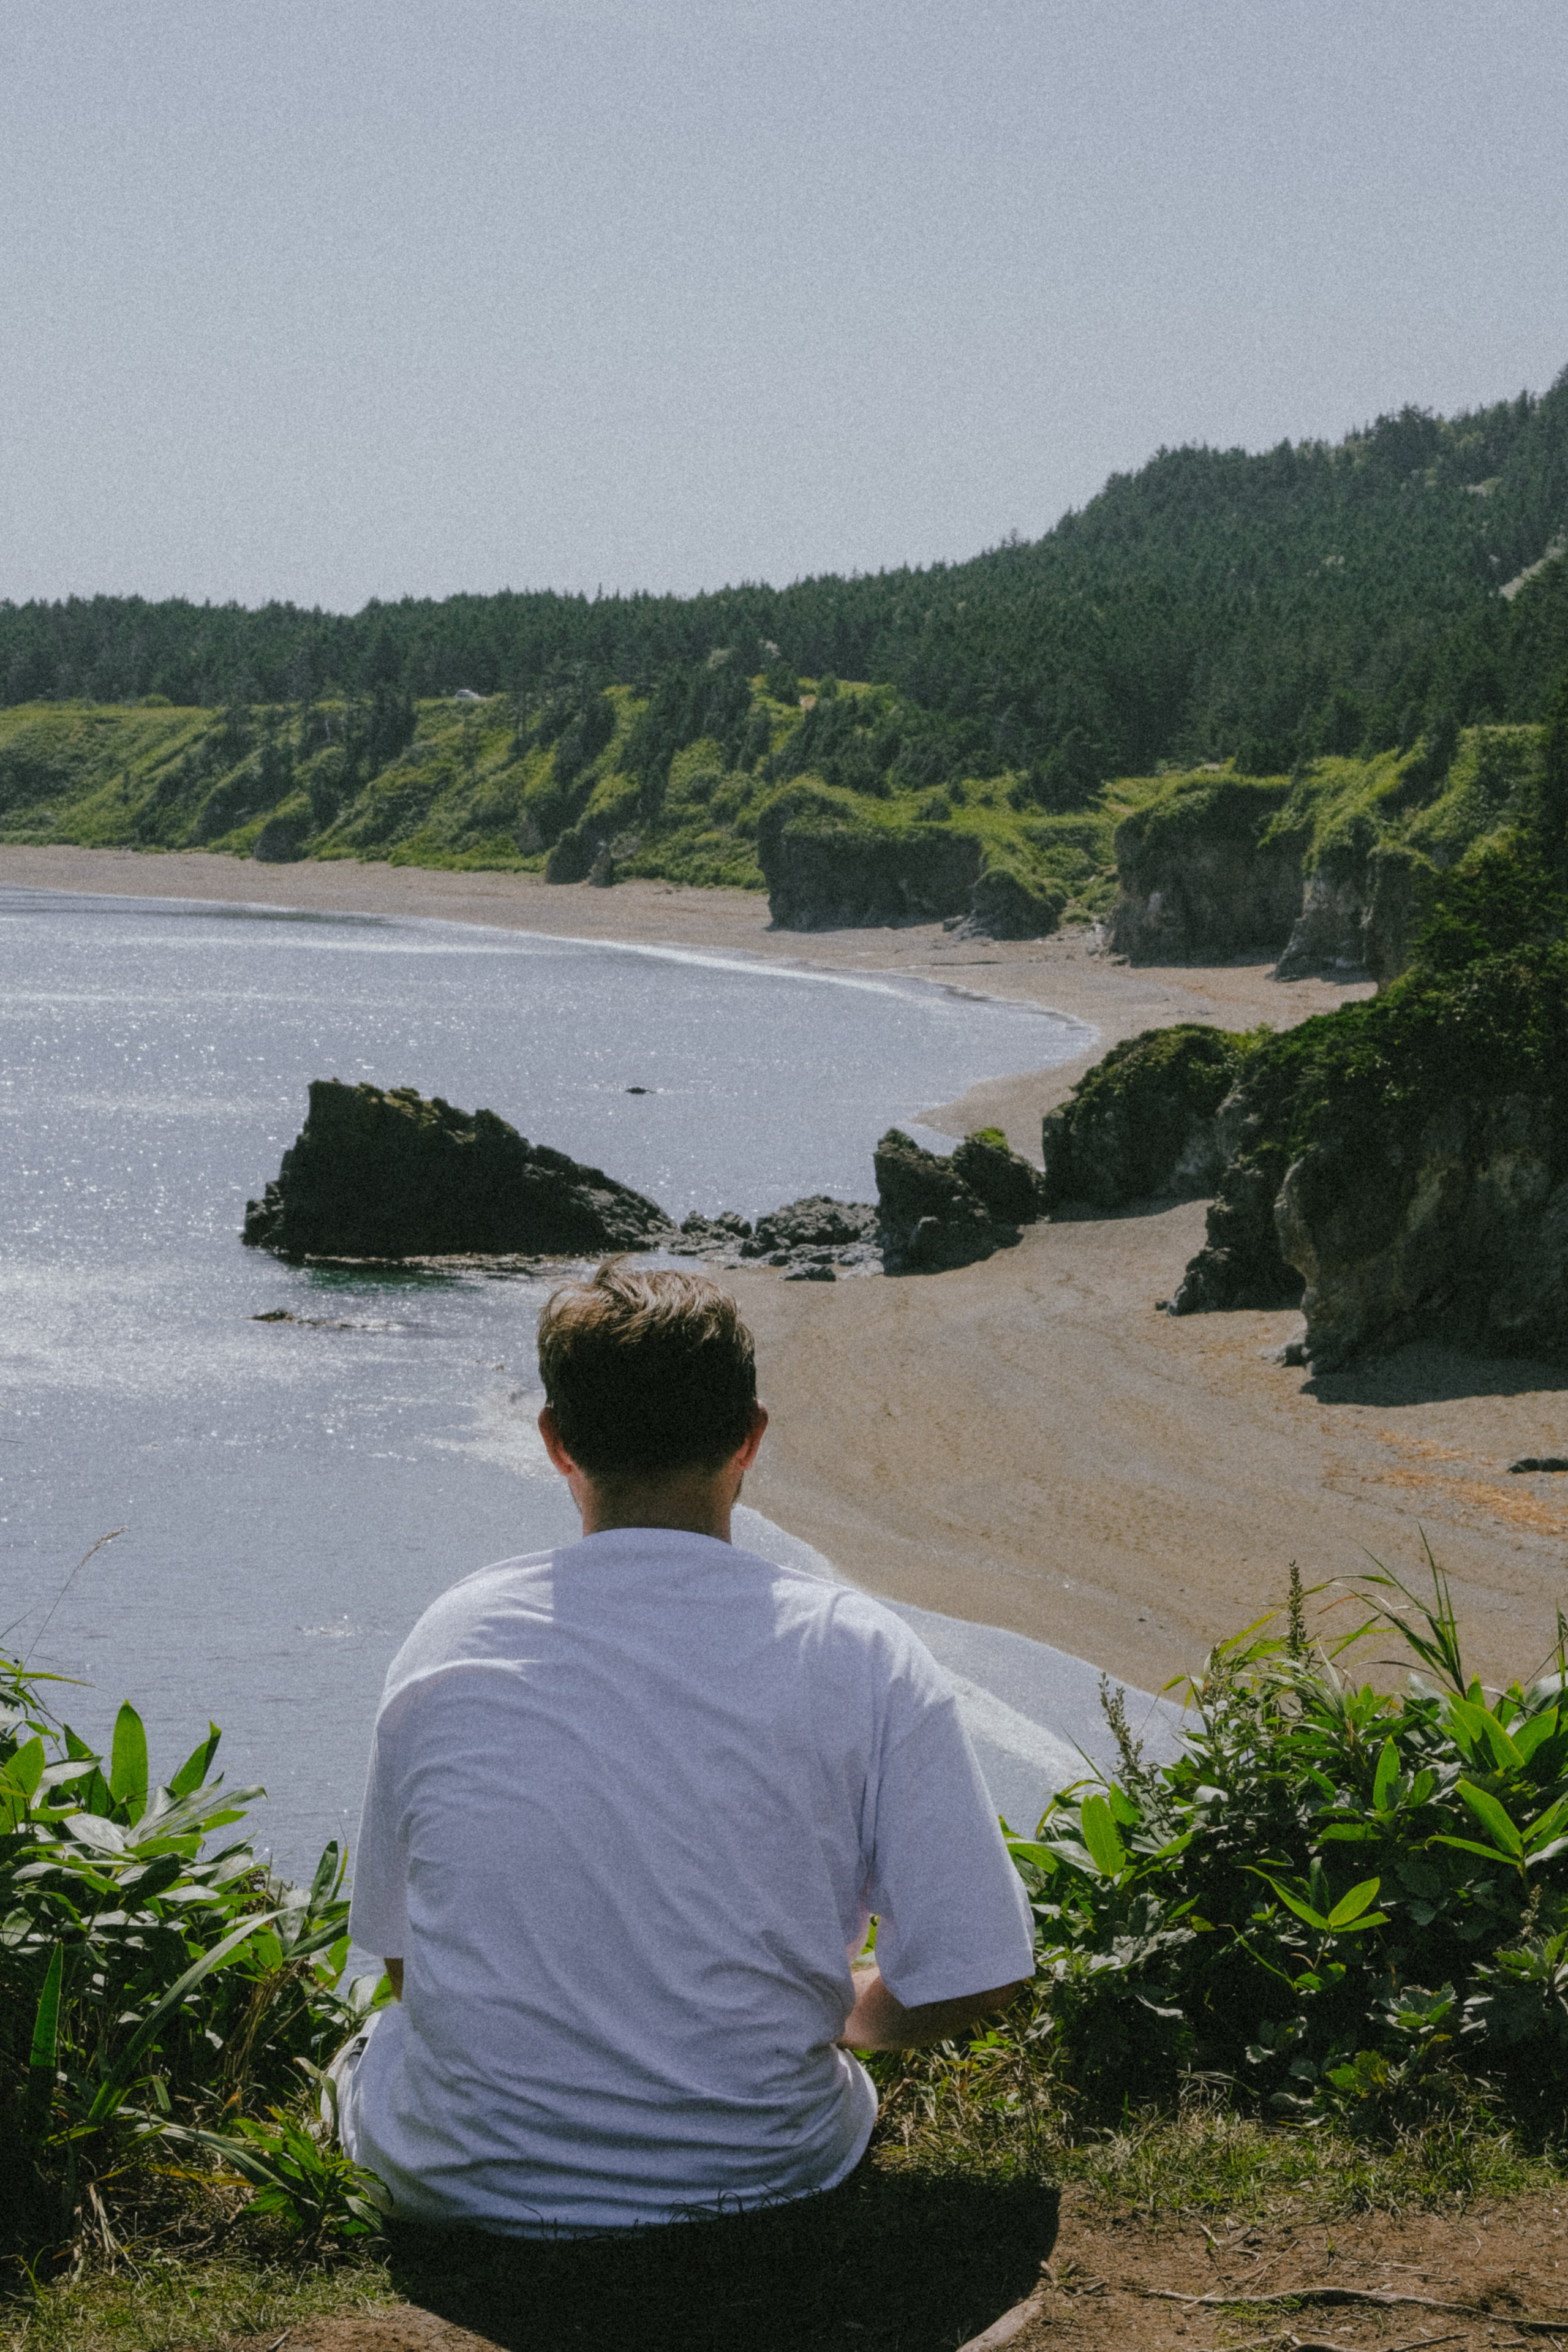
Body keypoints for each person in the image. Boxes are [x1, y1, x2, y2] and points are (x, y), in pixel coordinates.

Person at [337, 1260, 1033, 2236]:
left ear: (556, 1441)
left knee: (368, 2051)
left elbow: (406, 1964)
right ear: (750, 1435)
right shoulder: (857, 1651)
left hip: (466, 2179)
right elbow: (979, 1970)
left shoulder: (453, 1635)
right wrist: (843, 2014)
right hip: (766, 2168)